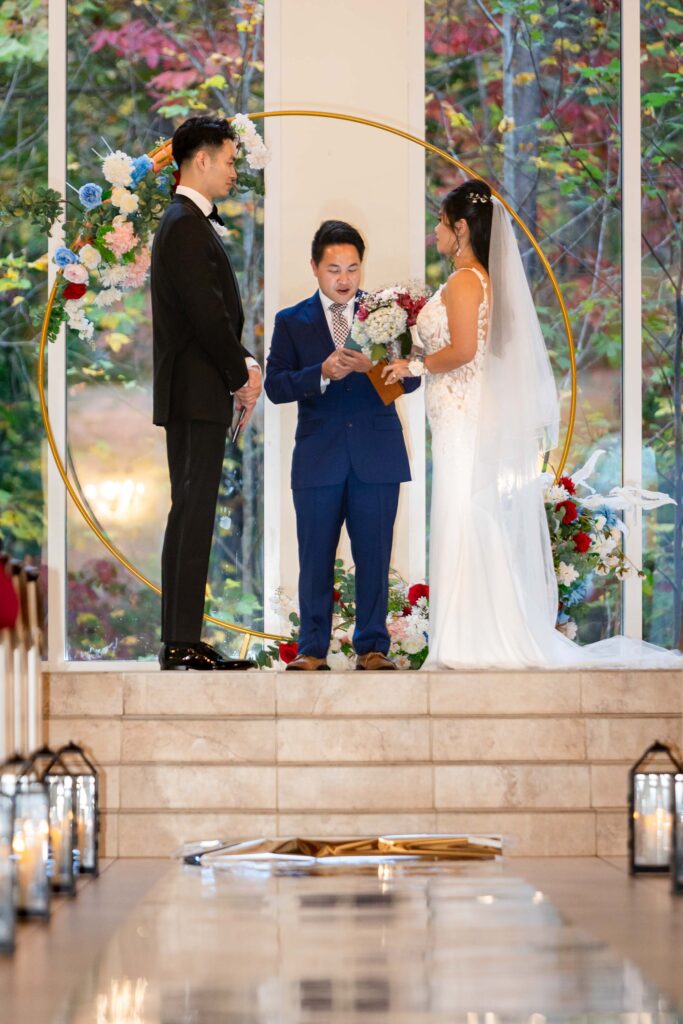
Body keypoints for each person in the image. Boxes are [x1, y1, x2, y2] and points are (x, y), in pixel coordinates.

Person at [384, 179, 681, 668]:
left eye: (441, 221)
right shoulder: (476, 278)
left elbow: (462, 350)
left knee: (463, 515)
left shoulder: (464, 280)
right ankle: (472, 630)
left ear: (461, 228)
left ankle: (473, 636)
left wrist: (409, 366)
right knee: (467, 515)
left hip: (463, 415)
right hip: (459, 413)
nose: (435, 231)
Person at [265, 220, 421, 670]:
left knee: (374, 554)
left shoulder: (385, 314)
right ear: (314, 267)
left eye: (353, 268)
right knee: (314, 556)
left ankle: (372, 647)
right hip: (318, 457)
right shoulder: (291, 321)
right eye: (334, 268)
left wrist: (369, 367)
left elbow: (406, 384)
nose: (344, 279)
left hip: (377, 454)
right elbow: (276, 387)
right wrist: (320, 373)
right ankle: (312, 649)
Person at [151, 116, 262, 671]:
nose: (233, 169)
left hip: (195, 390)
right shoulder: (185, 224)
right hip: (196, 392)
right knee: (193, 512)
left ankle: (180, 638)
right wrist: (241, 374)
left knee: (190, 511)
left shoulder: (185, 222)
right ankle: (181, 642)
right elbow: (207, 316)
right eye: (229, 159)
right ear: (201, 160)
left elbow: (211, 315)